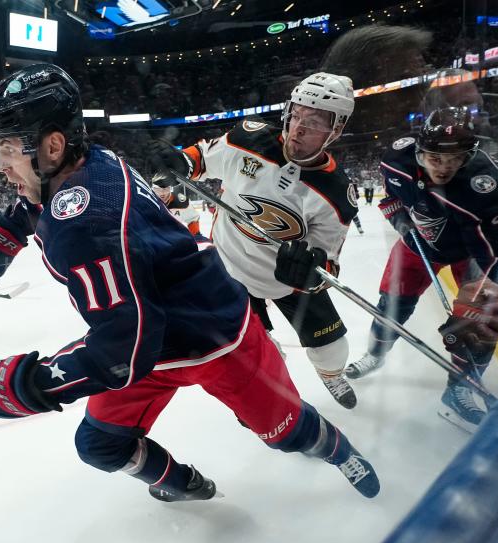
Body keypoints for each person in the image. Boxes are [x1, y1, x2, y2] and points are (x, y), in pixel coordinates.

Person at [0, 63, 379, 501]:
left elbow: (124, 350)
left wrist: (36, 382)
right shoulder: (94, 160)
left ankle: (339, 451)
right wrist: (4, 230)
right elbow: (51, 199)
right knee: (100, 444)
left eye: (6, 150)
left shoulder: (82, 224)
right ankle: (186, 485)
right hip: (159, 337)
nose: (0, 167)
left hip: (213, 336)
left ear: (52, 145)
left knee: (286, 431)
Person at [148, 72, 362, 409]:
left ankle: (332, 374)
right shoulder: (248, 139)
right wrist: (179, 160)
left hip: (288, 284)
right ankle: (268, 401)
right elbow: (200, 159)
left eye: (316, 121)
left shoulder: (338, 193)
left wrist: (310, 272)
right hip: (230, 270)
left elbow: (328, 261)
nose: (299, 128)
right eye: (296, 114)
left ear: (336, 130)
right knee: (254, 356)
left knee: (332, 348)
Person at [344, 108, 498, 432]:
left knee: (484, 323)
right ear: (420, 152)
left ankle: (459, 390)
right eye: (435, 158)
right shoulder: (397, 160)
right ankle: (376, 353)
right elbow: (390, 199)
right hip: (416, 244)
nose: (444, 168)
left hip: (473, 255)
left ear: (470, 156)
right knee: (389, 308)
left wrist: (482, 302)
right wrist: (400, 221)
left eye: (454, 160)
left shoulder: (489, 190)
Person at [150, 171, 207, 241]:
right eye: (158, 189)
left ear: (170, 188)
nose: (162, 193)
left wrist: (196, 236)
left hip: (175, 239)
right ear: (152, 189)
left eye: (165, 189)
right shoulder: (147, 201)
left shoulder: (181, 202)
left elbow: (192, 218)